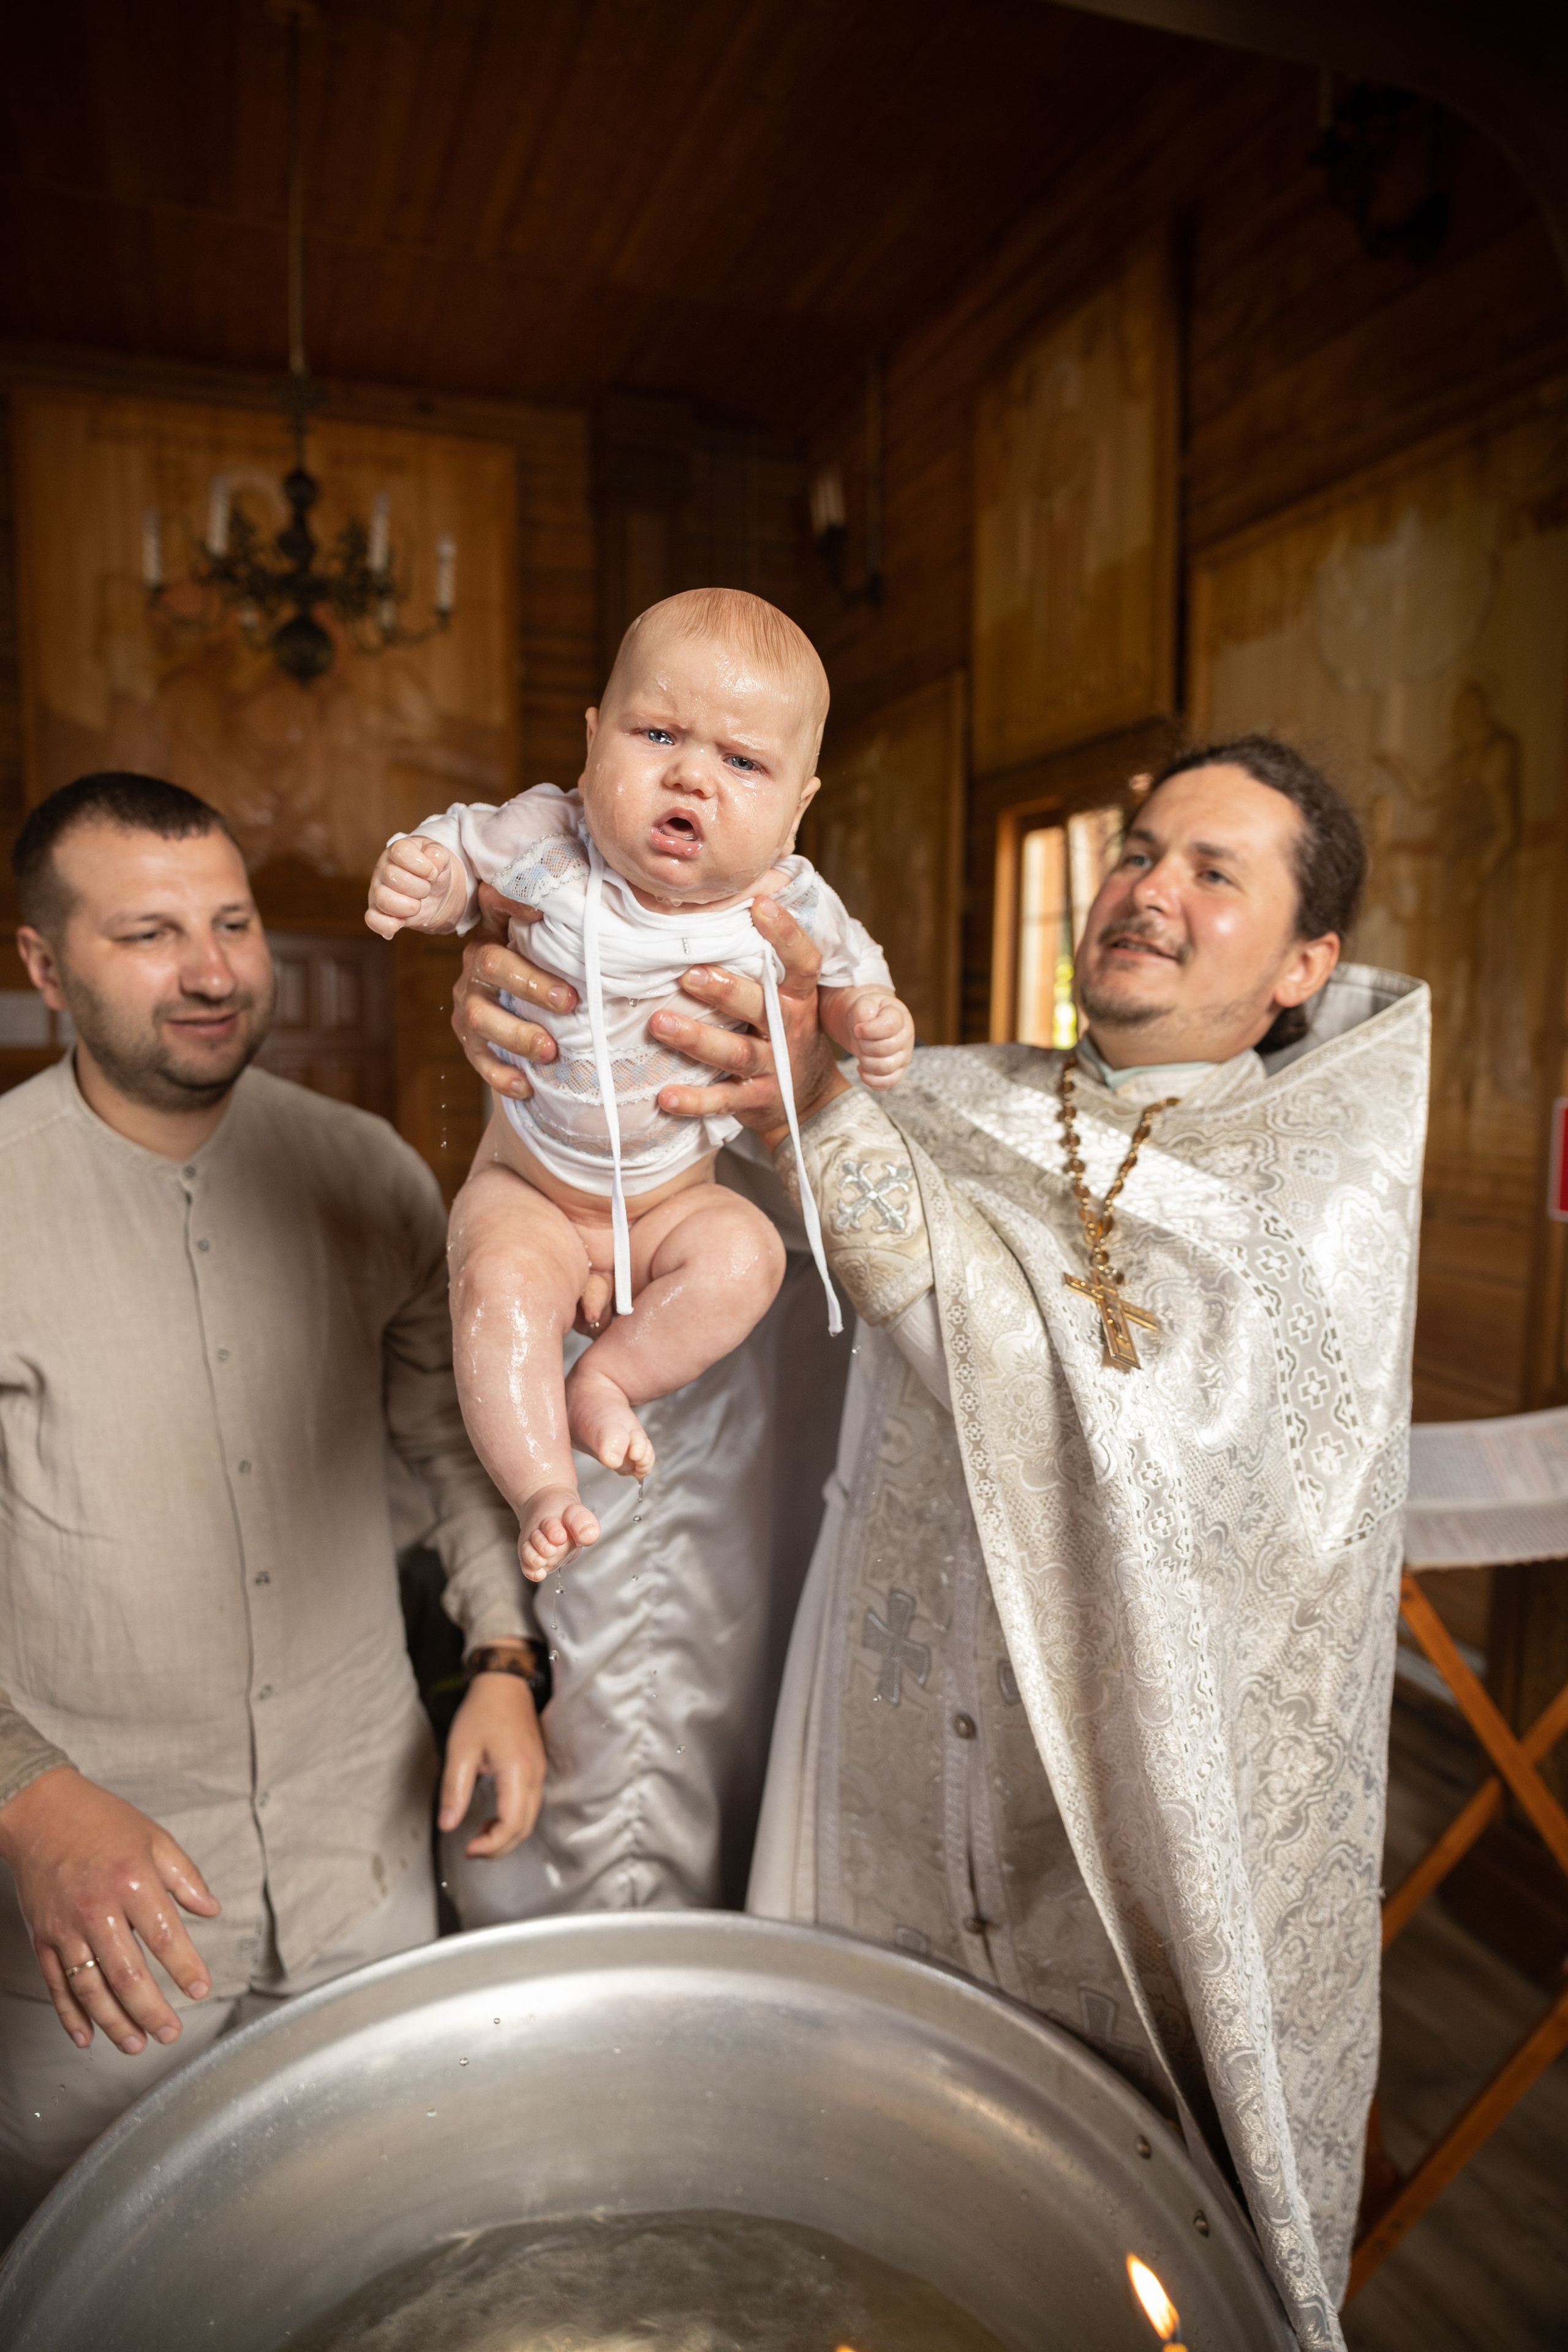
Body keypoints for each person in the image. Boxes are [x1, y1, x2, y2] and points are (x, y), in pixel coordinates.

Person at [451, 736, 1427, 2352]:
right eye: (1139, 850)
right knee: (864, 2233)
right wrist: (539, 1033)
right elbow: (637, 1198)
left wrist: (822, 1105)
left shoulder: (1317, 1195)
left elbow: (1062, 1382)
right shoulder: (955, 1093)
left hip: (1114, 1827)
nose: (1148, 892)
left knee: (1101, 2268)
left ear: (1308, 965)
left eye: (1213, 872)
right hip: (885, 1776)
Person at [0, 774, 542, 2239]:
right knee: (93, 2288)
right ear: (46, 966)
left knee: (388, 2254)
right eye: (150, 933)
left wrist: (502, 1659)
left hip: (360, 1863)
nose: (215, 969)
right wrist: (24, 1801)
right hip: (98, 1931)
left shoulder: (365, 1172)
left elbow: (452, 1451)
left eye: (232, 922)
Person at [365, 589, 913, 1580]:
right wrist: (427, 883)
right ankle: (541, 1486)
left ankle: (606, 1383)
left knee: (746, 1255)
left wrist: (865, 1016)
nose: (691, 776)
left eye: (742, 763)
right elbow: (462, 855)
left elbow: (847, 973)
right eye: (657, 732)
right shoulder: (548, 837)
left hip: (671, 1201)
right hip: (530, 1185)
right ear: (591, 742)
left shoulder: (786, 899)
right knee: (497, 1288)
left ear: (797, 806)